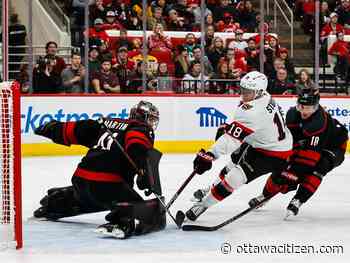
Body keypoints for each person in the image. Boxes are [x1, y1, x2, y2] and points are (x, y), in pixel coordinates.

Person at [33, 101, 166, 239]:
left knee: (89, 198)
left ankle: (54, 204)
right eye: (150, 119)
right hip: (109, 185)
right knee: (138, 205)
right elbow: (136, 145)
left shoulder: (106, 123)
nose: (151, 123)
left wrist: (52, 128)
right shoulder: (141, 128)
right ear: (142, 117)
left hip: (80, 181)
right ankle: (122, 222)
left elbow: (77, 129)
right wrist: (144, 172)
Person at [185, 71, 293, 221]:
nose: (243, 94)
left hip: (273, 153)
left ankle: (203, 205)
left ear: (259, 91)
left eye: (248, 91)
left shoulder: (253, 111)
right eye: (242, 89)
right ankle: (211, 188)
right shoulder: (264, 97)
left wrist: (210, 154)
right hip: (261, 141)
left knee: (234, 178)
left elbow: (231, 140)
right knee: (232, 164)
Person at [249, 87, 348, 217]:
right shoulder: (292, 114)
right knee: (282, 164)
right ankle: (265, 196)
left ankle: (298, 200)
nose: (304, 111)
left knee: (319, 167)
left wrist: (291, 179)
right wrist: (284, 172)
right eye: (301, 106)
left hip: (334, 146)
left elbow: (308, 161)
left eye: (309, 108)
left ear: (316, 106)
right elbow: (289, 143)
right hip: (309, 143)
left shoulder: (319, 123)